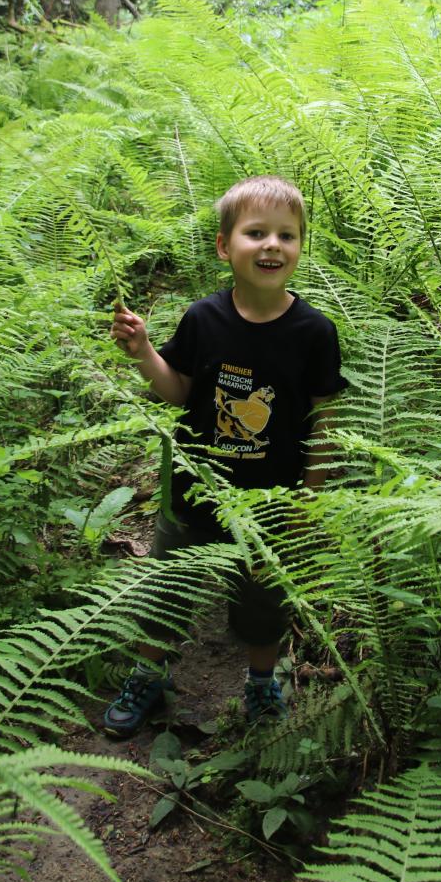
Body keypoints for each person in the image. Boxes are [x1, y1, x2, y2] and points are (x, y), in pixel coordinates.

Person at [104, 174, 348, 737]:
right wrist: (142, 351)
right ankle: (150, 673)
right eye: (256, 232)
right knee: (167, 591)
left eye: (287, 235)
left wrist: (310, 497)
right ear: (224, 246)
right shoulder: (203, 319)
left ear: (299, 247)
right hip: (194, 493)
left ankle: (262, 683)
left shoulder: (314, 331)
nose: (272, 245)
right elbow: (179, 391)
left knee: (263, 602)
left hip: (271, 504)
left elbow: (323, 421)